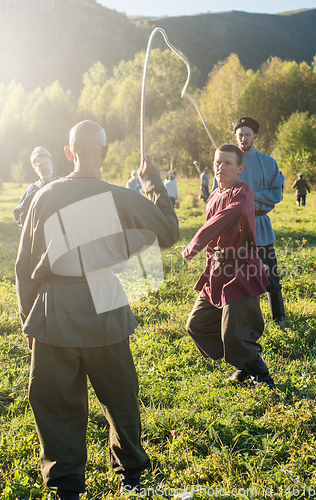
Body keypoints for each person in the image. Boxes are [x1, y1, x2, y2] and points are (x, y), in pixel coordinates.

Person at [15, 120, 179, 500]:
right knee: (119, 397)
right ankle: (132, 477)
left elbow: (24, 267)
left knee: (55, 405)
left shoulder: (43, 196)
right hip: (106, 301)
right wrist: (152, 181)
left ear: (68, 152)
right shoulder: (120, 196)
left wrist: (28, 320)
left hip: (53, 308)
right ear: (104, 154)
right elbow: (169, 233)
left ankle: (65, 486)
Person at [183, 144, 273, 387]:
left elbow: (225, 219)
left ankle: (262, 376)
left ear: (240, 168)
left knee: (234, 332)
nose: (221, 167)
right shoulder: (213, 195)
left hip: (241, 269)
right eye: (218, 162)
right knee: (197, 324)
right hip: (217, 270)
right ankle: (244, 362)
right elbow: (214, 235)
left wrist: (194, 244)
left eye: (228, 163)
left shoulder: (244, 193)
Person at [233, 116, 285, 322]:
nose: (243, 138)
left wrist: (250, 195)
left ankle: (279, 317)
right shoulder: (229, 162)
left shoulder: (268, 163)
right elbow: (215, 195)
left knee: (271, 275)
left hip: (260, 226)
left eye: (247, 134)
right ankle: (243, 318)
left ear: (255, 136)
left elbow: (276, 194)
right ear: (235, 137)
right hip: (235, 228)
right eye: (240, 135)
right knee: (237, 276)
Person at [13, 147, 59, 227]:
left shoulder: (63, 182)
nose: (44, 167)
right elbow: (20, 216)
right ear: (34, 169)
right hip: (47, 235)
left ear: (51, 163)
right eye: (40, 165)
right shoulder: (34, 189)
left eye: (46, 163)